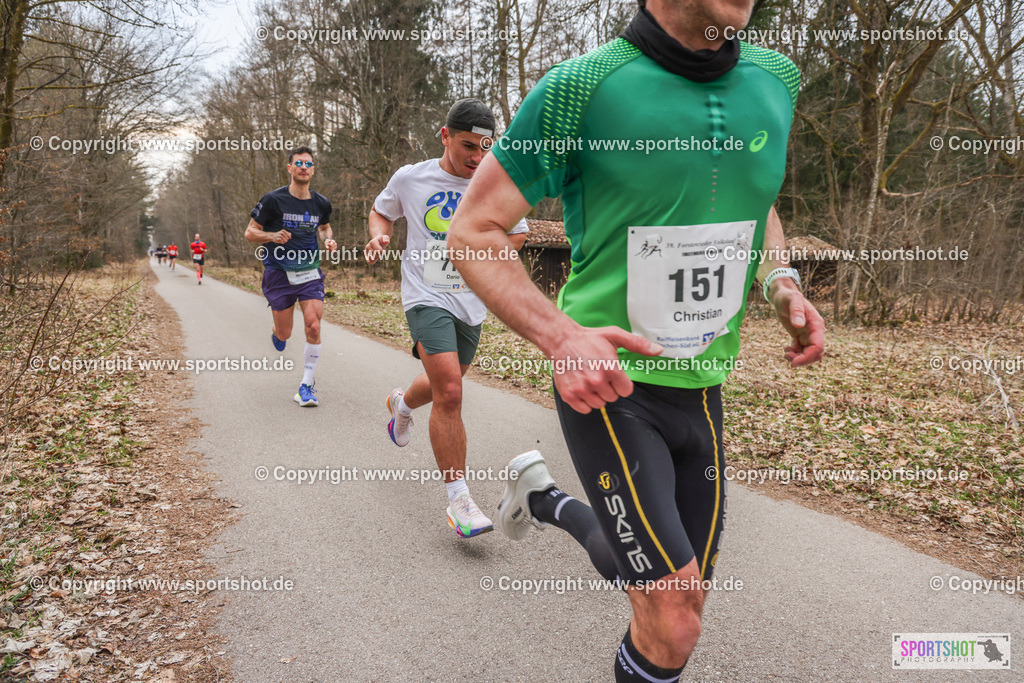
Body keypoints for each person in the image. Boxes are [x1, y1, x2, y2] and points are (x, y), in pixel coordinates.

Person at [448, 1, 825, 679]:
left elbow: (756, 192)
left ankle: (546, 500)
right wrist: (559, 336)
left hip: (704, 387)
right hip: (609, 385)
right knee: (674, 615)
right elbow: (474, 229)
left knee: (677, 592)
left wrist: (781, 281)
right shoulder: (580, 89)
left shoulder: (777, 79)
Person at [364, 99, 529, 538]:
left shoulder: (496, 182)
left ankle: (401, 405)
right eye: (467, 146)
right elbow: (382, 211)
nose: (477, 157)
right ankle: (460, 501)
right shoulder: (411, 178)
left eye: (485, 148)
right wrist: (379, 236)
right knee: (451, 392)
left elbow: (517, 235)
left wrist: (480, 250)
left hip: (471, 300)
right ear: (445, 136)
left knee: (445, 383)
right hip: (425, 294)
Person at [245, 146, 335, 407]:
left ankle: (305, 386)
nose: (303, 167)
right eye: (299, 163)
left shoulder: (321, 203)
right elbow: (250, 232)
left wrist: (328, 240)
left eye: (308, 164)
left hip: (309, 272)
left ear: (313, 169)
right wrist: (272, 236)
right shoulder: (273, 200)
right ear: (290, 168)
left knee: (313, 325)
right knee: (285, 333)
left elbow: (325, 227)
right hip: (278, 273)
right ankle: (277, 332)